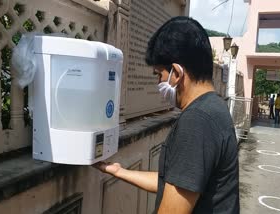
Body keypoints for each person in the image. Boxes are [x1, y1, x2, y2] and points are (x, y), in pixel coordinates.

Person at [94, 16, 239, 214]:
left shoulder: (197, 121)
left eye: (158, 74)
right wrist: (120, 172)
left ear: (177, 74)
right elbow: (176, 182)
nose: (158, 83)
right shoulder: (214, 107)